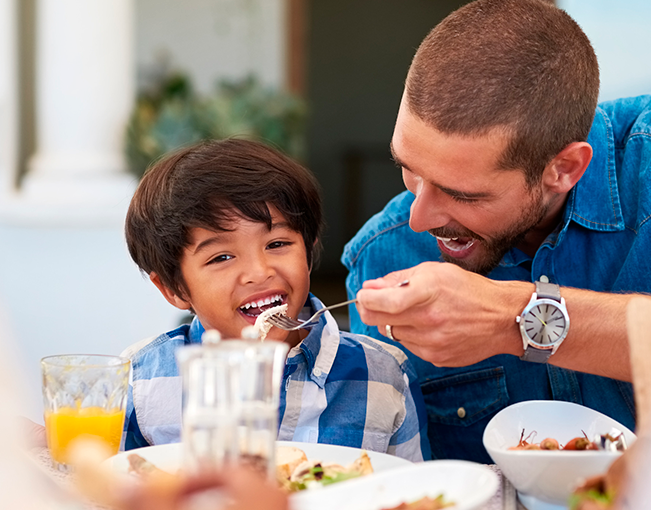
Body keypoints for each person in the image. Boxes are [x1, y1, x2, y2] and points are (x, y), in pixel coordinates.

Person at [341, 0, 651, 462]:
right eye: (409, 170)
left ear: (564, 168)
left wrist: (519, 319)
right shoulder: (382, 257)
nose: (419, 219)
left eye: (462, 195)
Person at [123, 138, 429, 461]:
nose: (258, 272)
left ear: (309, 252)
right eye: (222, 257)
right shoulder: (142, 382)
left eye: (277, 244)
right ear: (173, 288)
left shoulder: (385, 376)